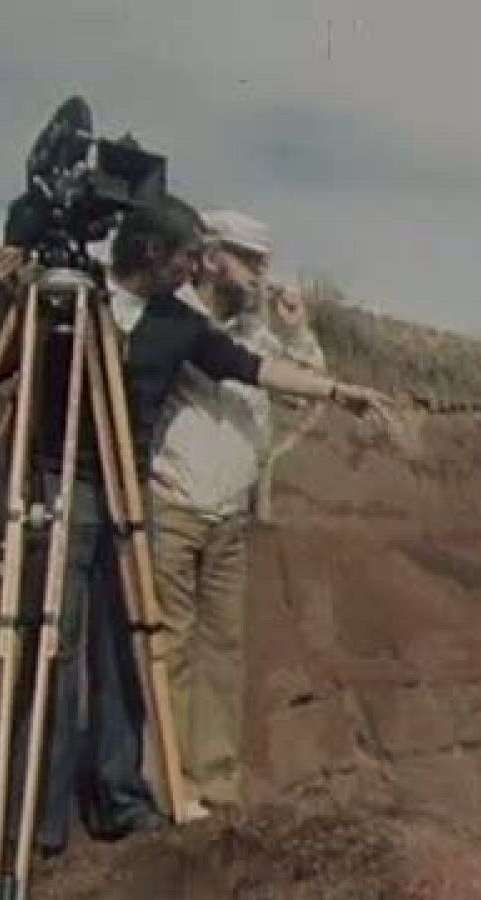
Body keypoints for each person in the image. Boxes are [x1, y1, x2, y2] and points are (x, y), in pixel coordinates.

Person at [1, 194, 393, 855]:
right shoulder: (79, 298)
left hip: (127, 491)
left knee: (125, 645)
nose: (192, 268)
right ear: (154, 252)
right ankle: (41, 815)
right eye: (187, 256)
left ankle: (122, 796)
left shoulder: (177, 324)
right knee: (57, 642)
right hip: (69, 477)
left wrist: (337, 390)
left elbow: (252, 367)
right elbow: (12, 364)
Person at [146, 210, 324, 820]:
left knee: (223, 649)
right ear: (212, 255)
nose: (258, 273)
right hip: (173, 502)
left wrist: (297, 335)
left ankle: (216, 783)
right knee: (170, 645)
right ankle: (169, 783)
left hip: (229, 515)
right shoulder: (176, 319)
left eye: (262, 262)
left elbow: (304, 393)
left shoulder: (259, 336)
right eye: (247, 259)